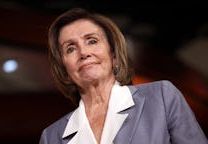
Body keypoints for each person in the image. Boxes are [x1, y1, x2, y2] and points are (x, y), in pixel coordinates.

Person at [39, 8, 207, 144]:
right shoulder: (51, 137)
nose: (84, 52)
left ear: (114, 56)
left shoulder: (161, 97)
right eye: (70, 48)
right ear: (64, 70)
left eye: (92, 41)